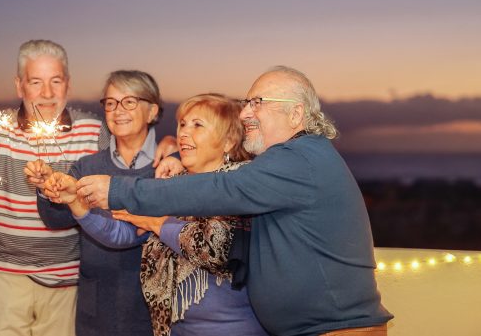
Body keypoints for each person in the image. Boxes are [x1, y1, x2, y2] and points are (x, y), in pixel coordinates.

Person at [75, 67, 394, 336]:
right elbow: (220, 161)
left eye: (258, 103)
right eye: (245, 103)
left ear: (296, 113)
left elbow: (222, 187)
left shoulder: (298, 161)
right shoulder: (293, 159)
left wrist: (118, 190)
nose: (244, 113)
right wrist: (177, 155)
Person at [0, 40, 176, 336]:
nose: (47, 93)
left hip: (67, 281)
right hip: (4, 277)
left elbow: (132, 138)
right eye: (36, 82)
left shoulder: (94, 129)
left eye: (55, 81)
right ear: (20, 86)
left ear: (67, 84)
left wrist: (171, 144)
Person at [45, 94, 267, 336]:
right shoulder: (168, 186)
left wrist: (156, 222)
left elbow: (216, 249)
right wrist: (76, 202)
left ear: (228, 141)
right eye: (182, 124)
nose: (183, 133)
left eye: (197, 125)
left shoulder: (241, 185)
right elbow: (122, 232)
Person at [29, 70, 162, 336]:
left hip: (150, 310)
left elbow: (129, 233)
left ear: (152, 112)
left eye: (130, 101)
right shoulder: (87, 166)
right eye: (110, 103)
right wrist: (48, 187)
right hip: (96, 307)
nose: (118, 110)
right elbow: (56, 219)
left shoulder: (167, 168)